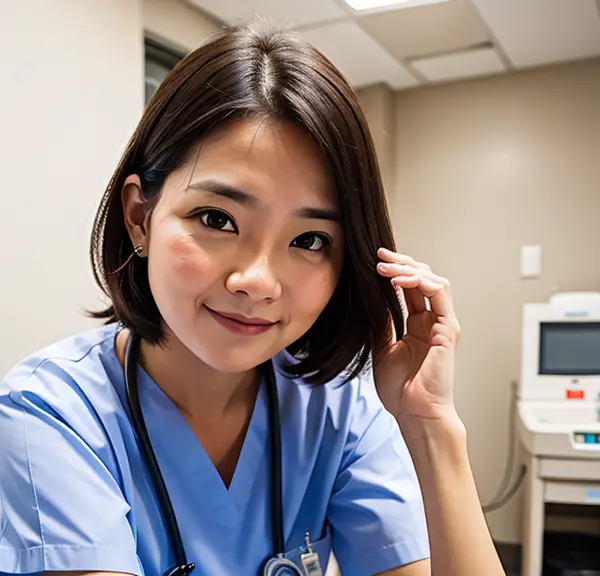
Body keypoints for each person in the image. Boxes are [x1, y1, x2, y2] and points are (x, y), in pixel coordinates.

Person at [0, 21, 505, 576]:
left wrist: (431, 428)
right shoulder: (50, 415)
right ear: (140, 217)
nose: (258, 280)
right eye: (217, 219)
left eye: (309, 240)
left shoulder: (340, 410)